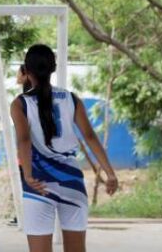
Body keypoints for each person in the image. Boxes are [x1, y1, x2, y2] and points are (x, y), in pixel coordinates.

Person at [10, 44, 118, 252]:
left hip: (39, 185)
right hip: (72, 183)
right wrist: (110, 173)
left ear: (26, 71)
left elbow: (23, 140)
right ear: (53, 68)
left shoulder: (20, 103)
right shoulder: (71, 98)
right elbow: (89, 136)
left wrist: (29, 175)